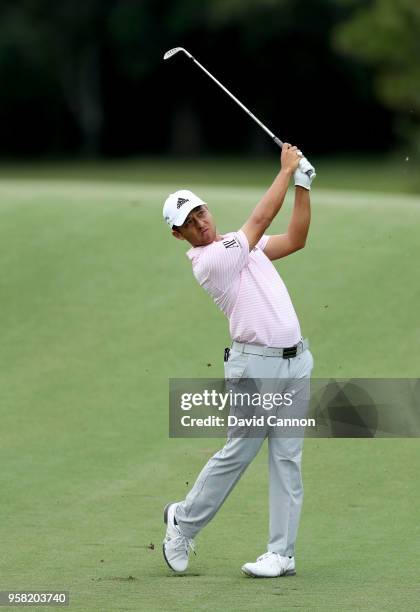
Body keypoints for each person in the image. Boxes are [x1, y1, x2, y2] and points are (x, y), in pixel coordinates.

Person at [162, 144, 315, 578]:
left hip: (296, 363)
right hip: (255, 367)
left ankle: (281, 554)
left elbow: (296, 239)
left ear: (208, 210)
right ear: (179, 235)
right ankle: (183, 522)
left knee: (288, 459)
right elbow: (263, 218)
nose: (199, 224)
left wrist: (302, 186)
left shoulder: (241, 244)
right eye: (188, 224)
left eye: (200, 214)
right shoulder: (211, 259)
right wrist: (286, 169)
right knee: (239, 454)